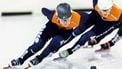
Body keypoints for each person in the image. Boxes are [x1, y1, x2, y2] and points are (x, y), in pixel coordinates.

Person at [9, 3, 90, 67]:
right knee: (38, 45)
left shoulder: (79, 17)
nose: (65, 22)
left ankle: (40, 58)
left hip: (65, 32)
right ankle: (20, 60)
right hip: (52, 27)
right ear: (58, 17)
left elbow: (90, 17)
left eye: (68, 19)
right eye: (63, 20)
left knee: (55, 43)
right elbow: (43, 10)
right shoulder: (53, 16)